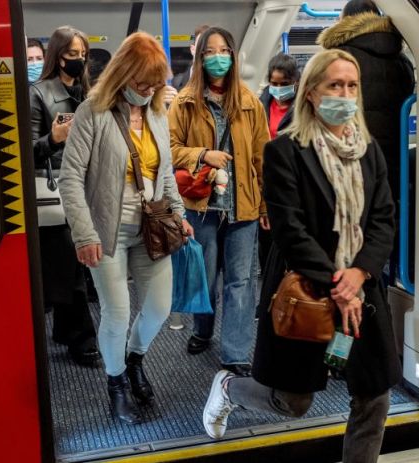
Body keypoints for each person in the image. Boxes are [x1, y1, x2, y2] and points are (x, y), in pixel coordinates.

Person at [201, 49, 401, 463]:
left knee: (373, 396)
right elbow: (290, 231)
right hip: (307, 288)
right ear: (311, 92)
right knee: (293, 401)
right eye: (334, 85)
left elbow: (383, 218)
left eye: (352, 86)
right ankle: (229, 388)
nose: (345, 94)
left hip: (361, 293)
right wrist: (338, 284)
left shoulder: (368, 151)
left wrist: (360, 274)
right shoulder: (285, 152)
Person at [58, 32, 194, 425]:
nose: (148, 90)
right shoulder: (93, 112)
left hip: (153, 227)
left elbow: (164, 173)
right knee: (117, 313)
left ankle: (134, 360)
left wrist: (179, 213)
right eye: (142, 83)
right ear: (123, 74)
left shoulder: (156, 113)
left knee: (158, 308)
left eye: (155, 84)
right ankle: (116, 383)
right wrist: (84, 235)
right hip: (107, 231)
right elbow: (70, 178)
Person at [169, 26, 270, 377]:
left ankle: (235, 352)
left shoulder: (250, 103)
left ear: (234, 56)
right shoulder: (184, 102)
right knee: (205, 276)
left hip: (244, 205)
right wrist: (202, 155)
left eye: (224, 51)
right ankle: (203, 330)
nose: (218, 58)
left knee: (241, 280)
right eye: (210, 52)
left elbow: (262, 158)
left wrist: (266, 205)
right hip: (201, 206)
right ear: (200, 58)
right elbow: (170, 150)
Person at [29, 26, 99, 366]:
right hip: (57, 189)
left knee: (78, 268)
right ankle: (83, 338)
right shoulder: (38, 94)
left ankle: (66, 331)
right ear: (57, 57)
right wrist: (54, 139)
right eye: (73, 54)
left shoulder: (90, 94)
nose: (79, 60)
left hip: (90, 187)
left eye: (83, 54)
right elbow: (27, 151)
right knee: (71, 270)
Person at [317, 0, 414, 219]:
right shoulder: (403, 61)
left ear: (346, 21)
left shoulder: (338, 59)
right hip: (392, 160)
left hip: (349, 159)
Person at [256, 53, 300, 307]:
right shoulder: (260, 105)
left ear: (295, 82)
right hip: (267, 182)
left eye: (284, 84)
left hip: (292, 183)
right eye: (274, 83)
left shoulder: (303, 108)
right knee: (267, 246)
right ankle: (268, 301)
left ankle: (292, 297)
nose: (279, 88)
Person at [171, 24, 210, 91]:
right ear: (192, 49)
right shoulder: (175, 82)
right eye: (201, 45)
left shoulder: (224, 83)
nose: (205, 51)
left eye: (210, 50)